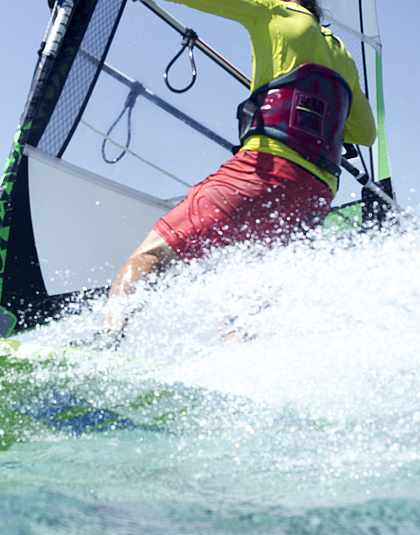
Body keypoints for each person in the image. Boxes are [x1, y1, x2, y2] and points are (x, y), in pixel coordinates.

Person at [103, 0, 377, 332]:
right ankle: (238, 354)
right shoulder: (342, 54)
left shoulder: (275, 11)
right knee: (243, 299)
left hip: (265, 170)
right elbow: (366, 133)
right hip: (314, 196)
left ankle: (109, 336)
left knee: (151, 255)